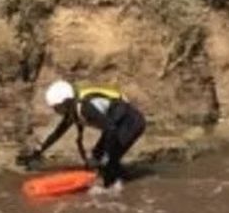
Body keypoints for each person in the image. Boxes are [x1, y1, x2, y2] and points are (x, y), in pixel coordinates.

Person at [18, 81, 147, 190]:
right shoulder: (73, 110)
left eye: (57, 108)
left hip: (132, 123)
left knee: (106, 162)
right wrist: (39, 152)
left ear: (66, 102)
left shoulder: (85, 107)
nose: (56, 111)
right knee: (98, 157)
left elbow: (111, 129)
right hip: (116, 125)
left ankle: (112, 191)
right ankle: (123, 177)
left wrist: (107, 157)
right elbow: (57, 133)